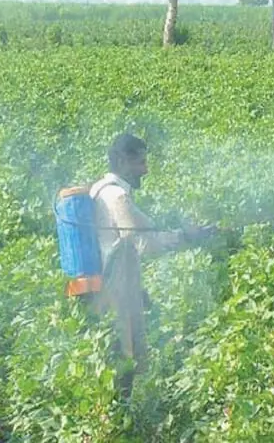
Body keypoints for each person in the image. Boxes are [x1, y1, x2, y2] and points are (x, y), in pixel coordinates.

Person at [86, 133, 214, 400]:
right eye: (140, 163)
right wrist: (185, 237)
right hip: (116, 290)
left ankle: (116, 412)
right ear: (122, 161)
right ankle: (121, 415)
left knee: (116, 358)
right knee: (125, 359)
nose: (145, 170)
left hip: (109, 286)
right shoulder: (117, 196)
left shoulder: (99, 190)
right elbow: (142, 243)